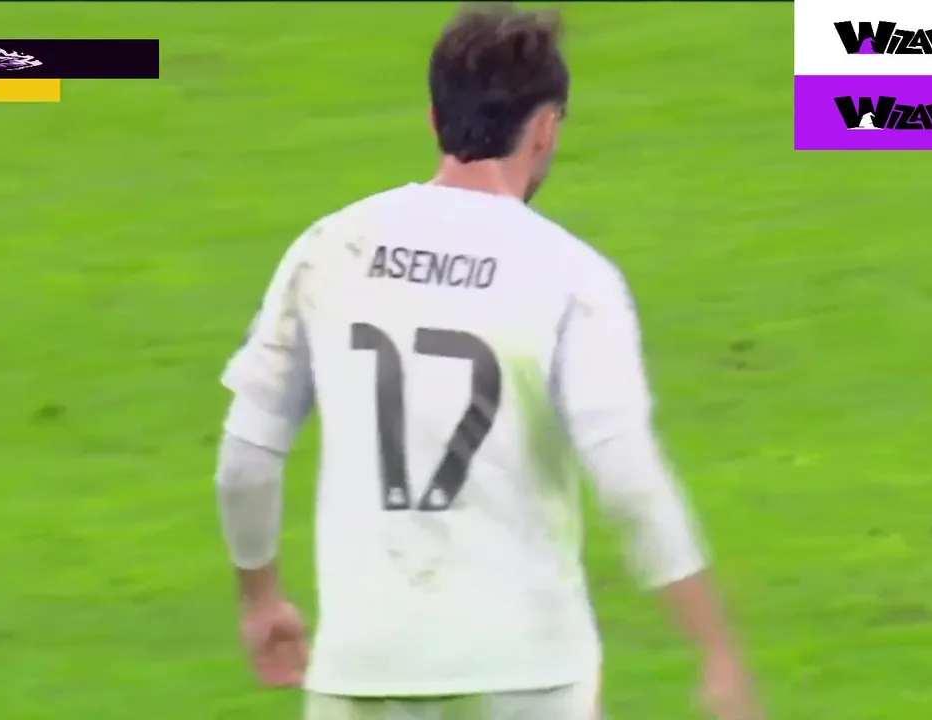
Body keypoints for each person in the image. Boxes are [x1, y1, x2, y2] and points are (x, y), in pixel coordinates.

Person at [213, 5, 763, 719]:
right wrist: (715, 647)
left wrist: (261, 598)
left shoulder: (331, 248)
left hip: (367, 664)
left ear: (435, 120)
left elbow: (247, 458)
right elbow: (628, 475)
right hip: (526, 668)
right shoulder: (571, 276)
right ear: (545, 129)